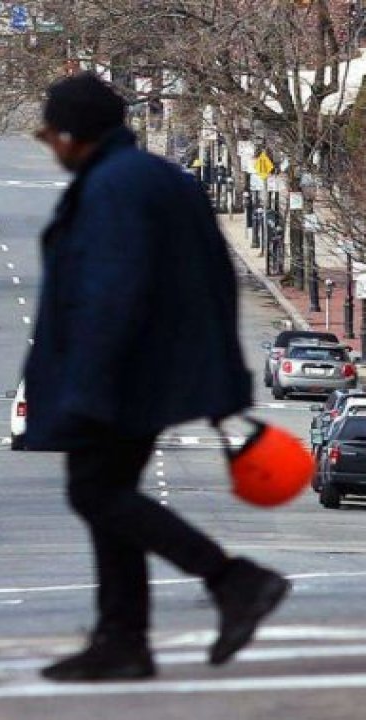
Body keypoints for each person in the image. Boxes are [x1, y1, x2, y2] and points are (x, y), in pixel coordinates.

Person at [23, 72, 291, 682]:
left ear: (74, 135)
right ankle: (123, 640)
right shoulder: (154, 177)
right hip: (152, 371)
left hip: (123, 377)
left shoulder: (114, 188)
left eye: (53, 136)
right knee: (106, 496)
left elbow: (109, 295)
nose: (51, 149)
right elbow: (216, 277)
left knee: (94, 492)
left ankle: (232, 580)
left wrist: (87, 387)